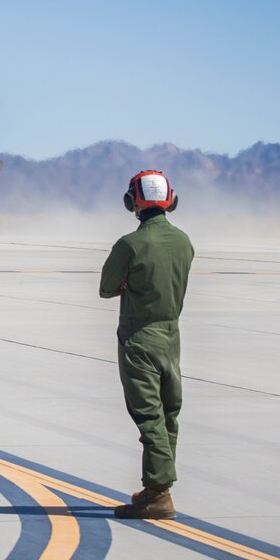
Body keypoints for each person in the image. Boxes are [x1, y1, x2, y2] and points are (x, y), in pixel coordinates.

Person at [100, 170, 194, 519]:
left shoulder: (129, 245)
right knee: (169, 415)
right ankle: (158, 487)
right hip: (172, 339)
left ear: (132, 203)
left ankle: (158, 494)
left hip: (139, 339)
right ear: (171, 200)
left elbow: (107, 288)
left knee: (149, 416)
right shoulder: (185, 242)